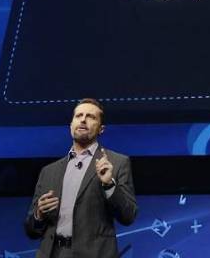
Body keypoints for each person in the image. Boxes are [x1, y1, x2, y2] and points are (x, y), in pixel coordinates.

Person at [24, 98, 137, 258]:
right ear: (71, 125)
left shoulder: (116, 163)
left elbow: (128, 216)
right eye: (79, 116)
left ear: (101, 129)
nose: (83, 120)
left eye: (90, 117)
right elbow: (31, 230)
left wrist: (109, 185)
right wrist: (39, 214)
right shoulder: (49, 171)